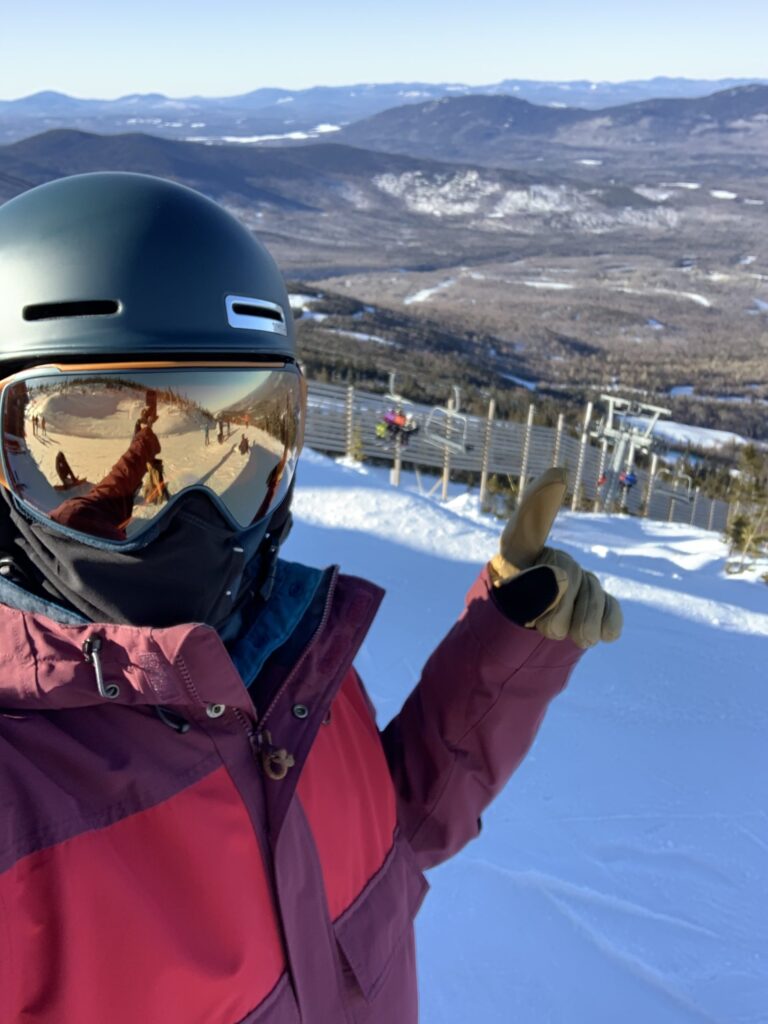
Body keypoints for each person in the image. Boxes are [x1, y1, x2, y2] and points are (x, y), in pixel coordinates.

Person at [0, 173, 622, 1024]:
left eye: (247, 441)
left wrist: (502, 647)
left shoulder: (286, 667)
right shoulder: (22, 800)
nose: (196, 516)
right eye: (87, 421)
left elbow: (388, 838)